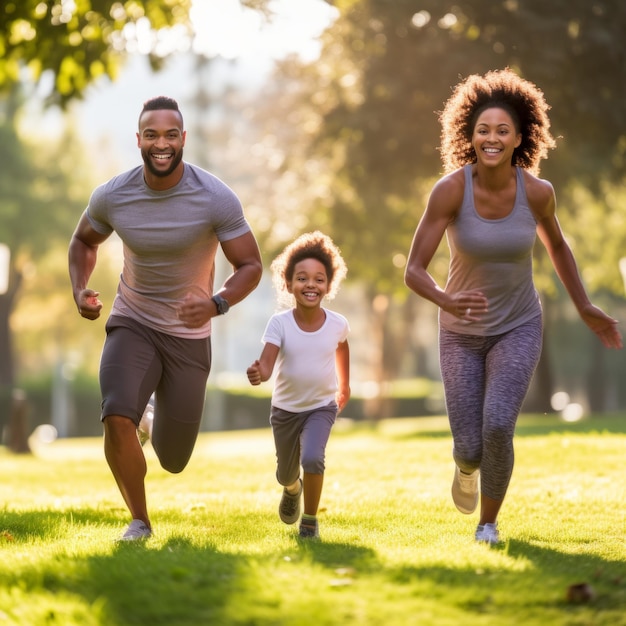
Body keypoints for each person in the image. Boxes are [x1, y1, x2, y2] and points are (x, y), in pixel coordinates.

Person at [404, 69, 622, 545]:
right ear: (470, 135)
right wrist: (446, 300)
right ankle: (465, 469)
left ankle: (488, 523)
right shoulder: (450, 190)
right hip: (460, 332)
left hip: (519, 325)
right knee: (469, 444)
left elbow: (559, 248)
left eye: (503, 130)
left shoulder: (538, 193)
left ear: (521, 137)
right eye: (484, 130)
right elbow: (414, 270)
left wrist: (584, 305)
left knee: (499, 424)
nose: (492, 138)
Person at [68, 96, 263, 541]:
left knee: (173, 458)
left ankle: (151, 421)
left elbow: (250, 265)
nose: (161, 144)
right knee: (116, 412)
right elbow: (83, 241)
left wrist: (216, 303)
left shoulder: (214, 197)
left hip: (189, 334)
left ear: (183, 140)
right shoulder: (114, 195)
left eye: (170, 135)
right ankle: (139, 520)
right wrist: (80, 289)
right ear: (138, 140)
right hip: (132, 320)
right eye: (152, 135)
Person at [246, 231, 350, 539]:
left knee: (313, 458)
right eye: (302, 278)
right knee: (286, 473)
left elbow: (342, 346)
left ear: (328, 286)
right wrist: (258, 373)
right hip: (285, 411)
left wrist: (344, 384)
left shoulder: (337, 323)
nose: (311, 285)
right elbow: (266, 364)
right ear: (288, 283)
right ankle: (292, 489)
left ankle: (309, 522)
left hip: (321, 406)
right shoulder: (279, 323)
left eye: (319, 279)